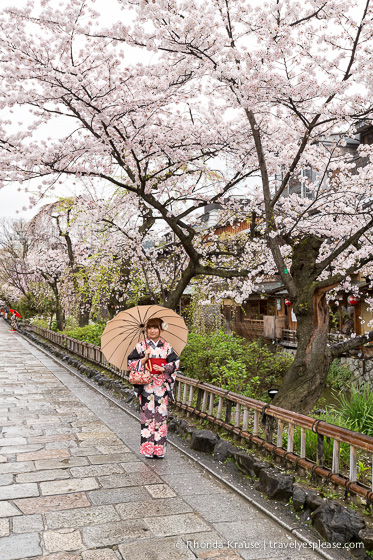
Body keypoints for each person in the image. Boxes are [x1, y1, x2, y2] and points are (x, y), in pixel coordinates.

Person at [127, 318, 179, 458]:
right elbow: (130, 363)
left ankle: (159, 450)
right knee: (147, 417)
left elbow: (175, 363)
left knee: (161, 417)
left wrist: (163, 368)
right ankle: (148, 450)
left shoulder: (166, 346)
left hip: (161, 385)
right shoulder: (141, 346)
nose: (152, 331)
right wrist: (143, 360)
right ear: (147, 330)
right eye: (149, 328)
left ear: (161, 329)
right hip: (146, 386)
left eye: (155, 328)